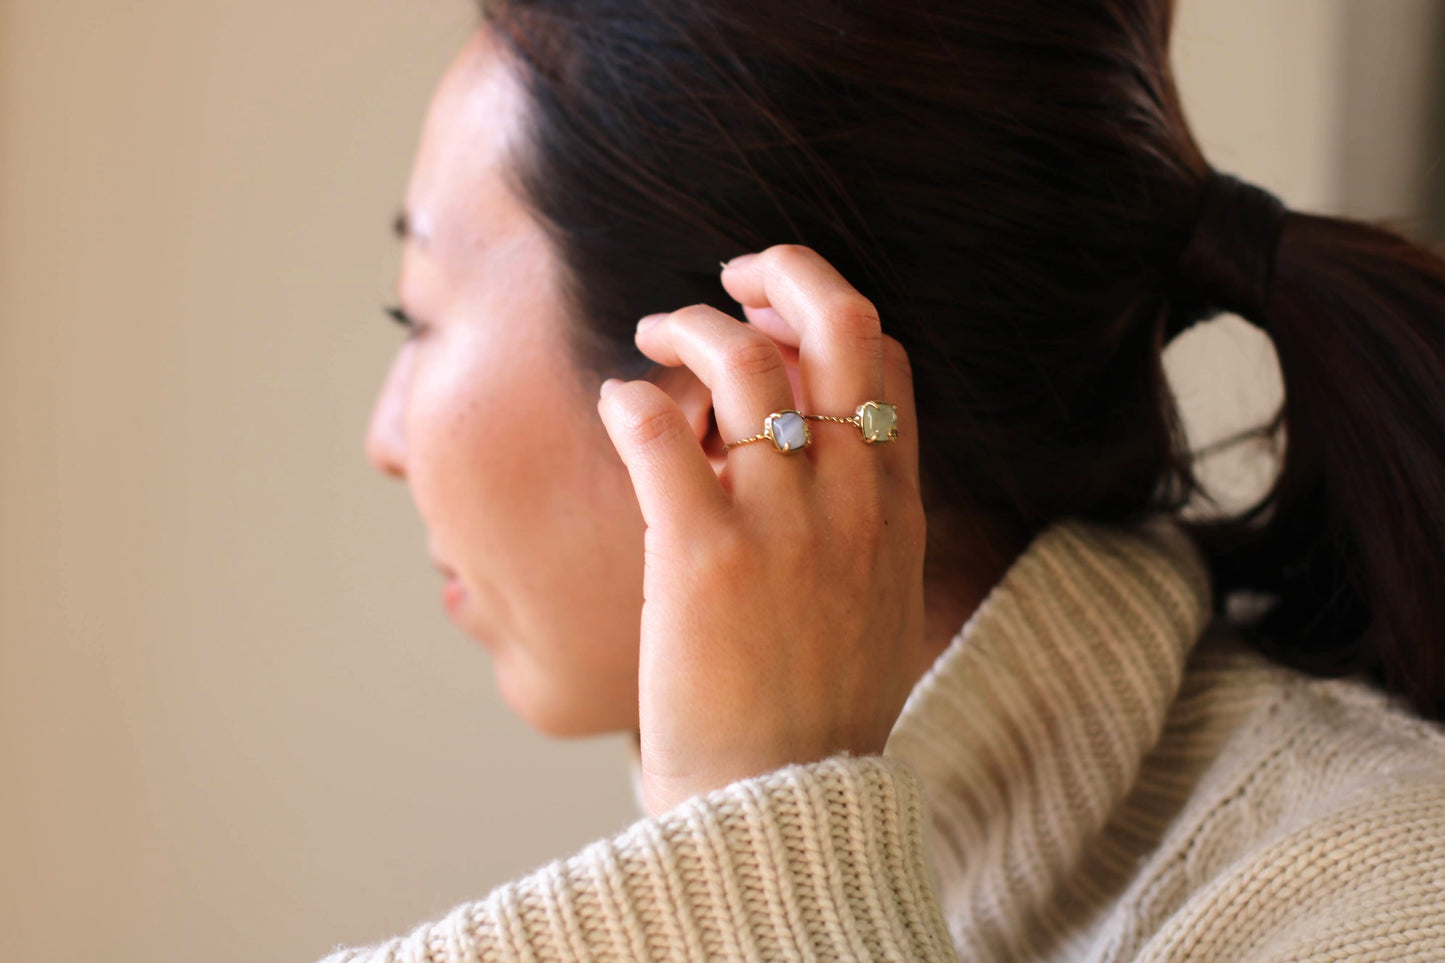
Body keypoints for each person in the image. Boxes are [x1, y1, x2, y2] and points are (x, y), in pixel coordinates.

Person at [327, 0, 1445, 959]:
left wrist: (757, 845)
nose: (386, 439)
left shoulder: (1377, 902)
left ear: (735, 386)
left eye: (413, 319)